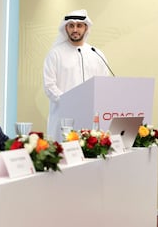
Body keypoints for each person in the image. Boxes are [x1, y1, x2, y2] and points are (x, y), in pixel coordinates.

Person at [43, 9, 110, 141]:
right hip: (64, 117)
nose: (75, 29)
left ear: (86, 27)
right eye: (71, 25)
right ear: (65, 28)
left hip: (91, 118)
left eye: (79, 25)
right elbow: (49, 86)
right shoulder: (55, 54)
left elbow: (104, 84)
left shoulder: (96, 53)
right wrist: (70, 101)